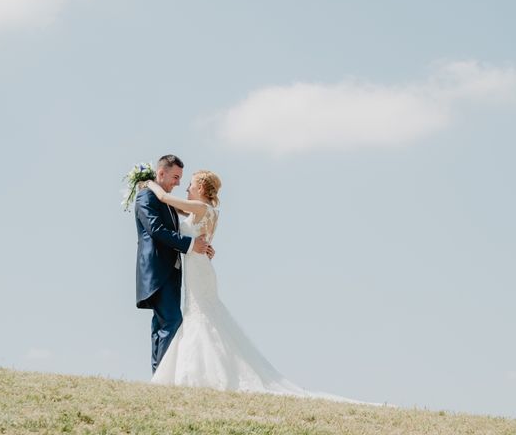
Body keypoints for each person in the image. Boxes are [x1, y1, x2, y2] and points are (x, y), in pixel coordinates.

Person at [146, 169, 363, 403]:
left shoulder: (200, 208)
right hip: (200, 268)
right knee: (202, 315)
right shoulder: (210, 212)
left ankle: (200, 373)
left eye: (189, 184)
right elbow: (186, 221)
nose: (186, 188)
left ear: (200, 187)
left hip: (198, 271)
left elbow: (166, 200)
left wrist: (149, 183)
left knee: (201, 316)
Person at [134, 155, 213, 373]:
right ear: (161, 173)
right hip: (157, 272)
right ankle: (163, 376)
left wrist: (202, 246)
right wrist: (190, 244)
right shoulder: (146, 197)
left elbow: (182, 227)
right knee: (172, 320)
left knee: (161, 325)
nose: (178, 183)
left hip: (172, 272)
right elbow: (157, 231)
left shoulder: (165, 201)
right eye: (176, 177)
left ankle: (159, 376)